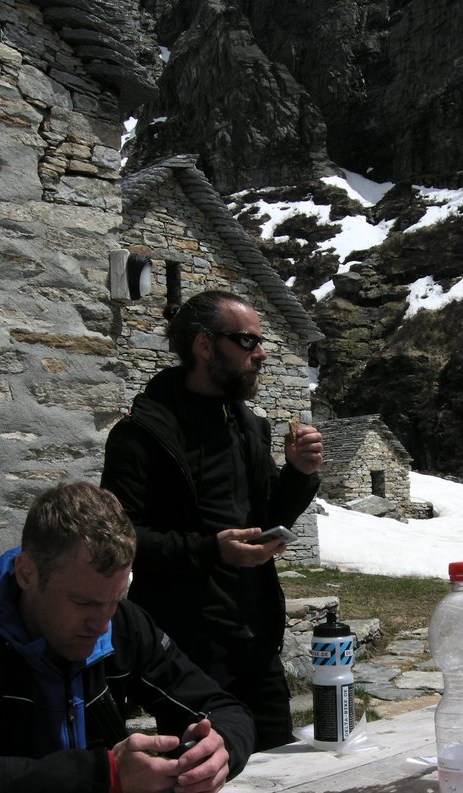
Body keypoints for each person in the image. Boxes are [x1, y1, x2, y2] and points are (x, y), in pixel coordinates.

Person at [0, 481, 255, 793]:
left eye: (114, 599)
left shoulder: (123, 626)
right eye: (84, 603)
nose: (101, 624)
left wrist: (220, 749)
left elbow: (224, 708)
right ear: (26, 573)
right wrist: (106, 776)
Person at [101, 289, 322, 751]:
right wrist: (210, 550)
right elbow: (119, 539)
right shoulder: (141, 434)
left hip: (256, 635)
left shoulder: (248, 427)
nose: (261, 353)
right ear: (204, 345)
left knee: (281, 764)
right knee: (207, 772)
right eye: (247, 341)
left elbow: (269, 516)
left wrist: (300, 474)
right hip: (187, 647)